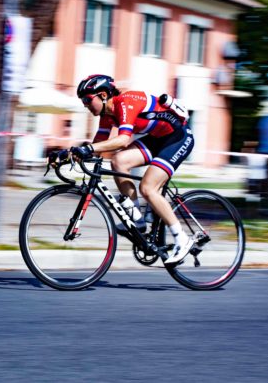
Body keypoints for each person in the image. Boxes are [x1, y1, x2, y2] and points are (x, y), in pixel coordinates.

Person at [69, 74, 194, 265]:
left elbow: (123, 140)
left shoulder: (125, 103)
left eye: (87, 99)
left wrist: (88, 149)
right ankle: (137, 220)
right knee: (119, 161)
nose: (85, 105)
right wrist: (68, 154)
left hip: (178, 138)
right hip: (156, 139)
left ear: (103, 95)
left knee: (148, 188)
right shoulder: (106, 115)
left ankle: (182, 239)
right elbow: (98, 146)